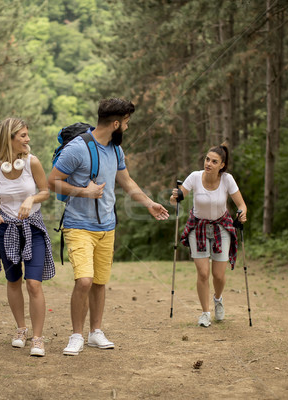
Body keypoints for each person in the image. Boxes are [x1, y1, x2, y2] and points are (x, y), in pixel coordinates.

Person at [48, 98, 169, 356]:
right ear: (115, 123)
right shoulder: (78, 149)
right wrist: (83, 191)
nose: (127, 127)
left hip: (107, 227)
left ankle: (95, 333)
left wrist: (149, 203)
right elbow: (52, 182)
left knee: (100, 283)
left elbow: (126, 181)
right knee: (84, 281)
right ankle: (76, 335)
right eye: (126, 122)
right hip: (78, 225)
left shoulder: (115, 150)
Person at [0, 117, 54, 357]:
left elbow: (45, 191)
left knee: (33, 283)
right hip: (6, 230)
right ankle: (21, 330)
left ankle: (37, 337)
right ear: (9, 138)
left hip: (32, 228)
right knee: (13, 281)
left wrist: (30, 199)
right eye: (23, 135)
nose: (28, 139)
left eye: (27, 134)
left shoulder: (32, 162)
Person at [170, 143, 247, 327]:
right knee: (203, 273)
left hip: (222, 227)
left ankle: (218, 299)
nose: (208, 164)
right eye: (207, 159)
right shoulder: (195, 177)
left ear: (222, 165)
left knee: (218, 275)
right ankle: (205, 313)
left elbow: (241, 205)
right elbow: (177, 199)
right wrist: (176, 197)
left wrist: (242, 214)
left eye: (214, 161)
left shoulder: (227, 180)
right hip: (198, 227)